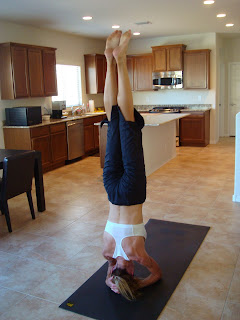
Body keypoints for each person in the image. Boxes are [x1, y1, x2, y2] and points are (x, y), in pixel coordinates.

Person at [101, 29, 162, 301]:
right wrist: (111, 278)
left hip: (132, 191)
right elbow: (109, 273)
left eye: (133, 272)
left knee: (126, 120)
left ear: (133, 270)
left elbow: (156, 275)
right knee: (113, 118)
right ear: (114, 270)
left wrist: (139, 285)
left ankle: (121, 60)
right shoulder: (106, 251)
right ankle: (108, 60)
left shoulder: (138, 253)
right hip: (112, 189)